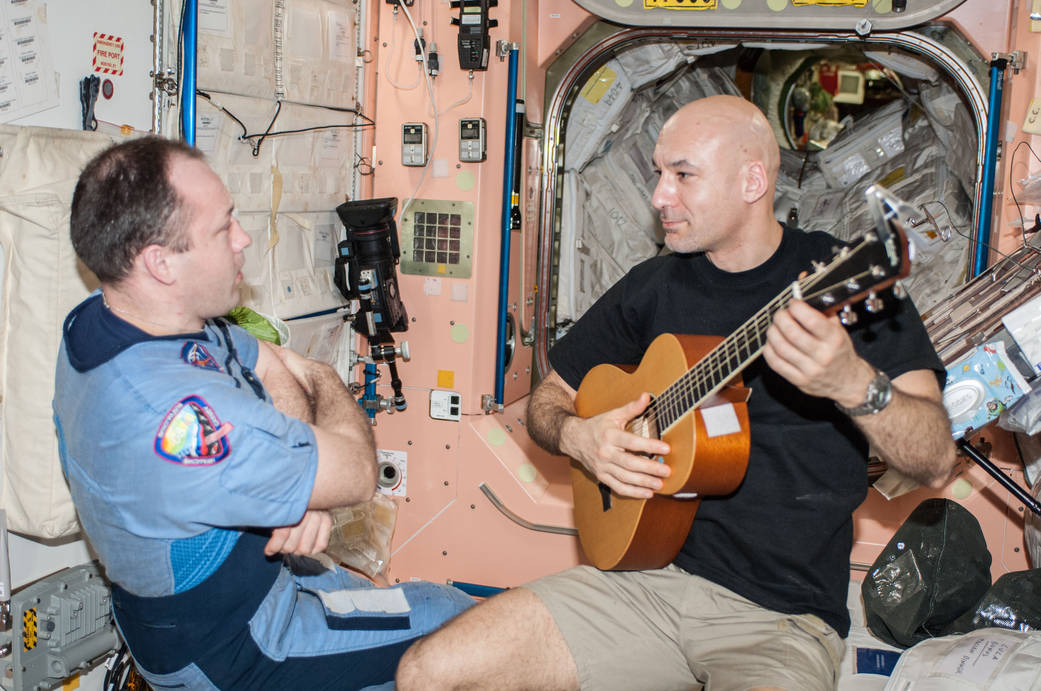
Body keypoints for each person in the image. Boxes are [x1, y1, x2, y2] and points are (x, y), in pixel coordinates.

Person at [396, 95, 957, 691]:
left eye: (683, 175)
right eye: (659, 174)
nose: (661, 196)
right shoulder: (652, 286)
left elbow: (935, 457)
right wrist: (580, 437)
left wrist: (853, 385)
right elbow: (547, 400)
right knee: (429, 671)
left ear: (753, 180)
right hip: (639, 580)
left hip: (780, 622)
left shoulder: (839, 276)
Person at [52, 136, 472, 690]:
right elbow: (355, 470)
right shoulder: (180, 420)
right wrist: (317, 404)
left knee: (434, 606)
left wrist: (287, 486)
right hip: (238, 646)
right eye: (223, 228)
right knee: (465, 629)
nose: (243, 239)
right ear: (160, 264)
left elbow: (269, 362)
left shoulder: (111, 320)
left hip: (260, 586)